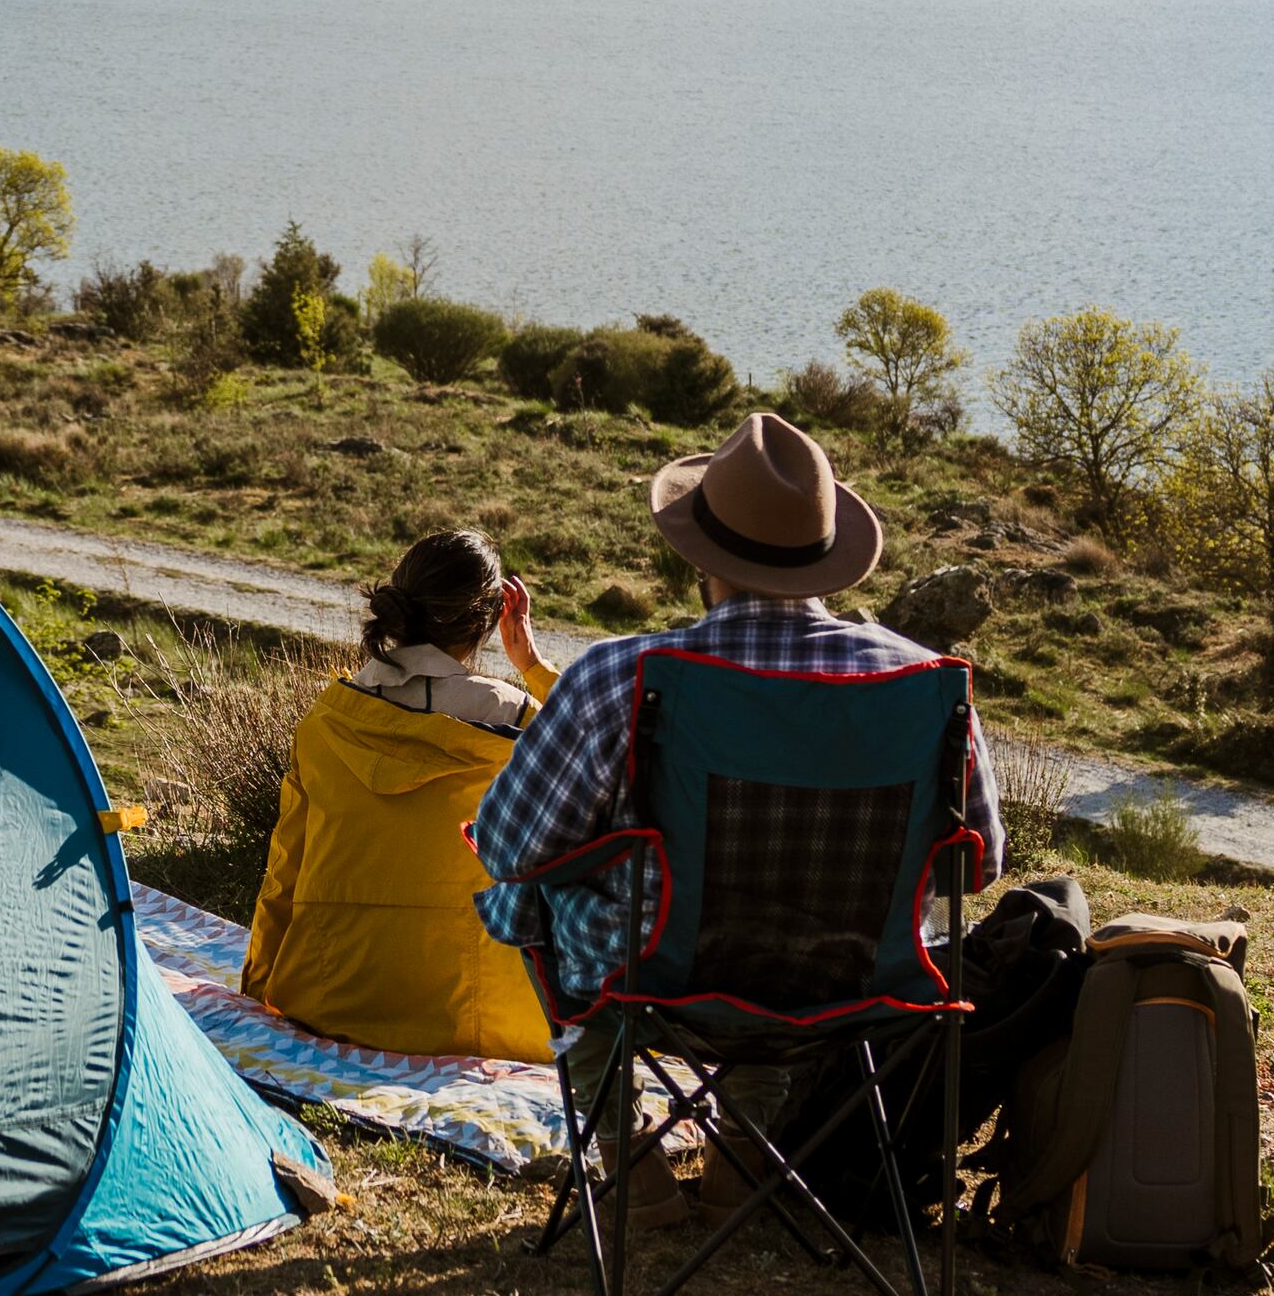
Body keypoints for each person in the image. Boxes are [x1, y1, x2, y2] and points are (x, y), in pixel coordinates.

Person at [474, 407, 1000, 1037]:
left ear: (702, 558)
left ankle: (611, 1119)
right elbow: (979, 866)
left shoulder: (619, 677)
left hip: (657, 982)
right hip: (864, 985)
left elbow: (507, 847)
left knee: (525, 895)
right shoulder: (928, 687)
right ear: (825, 557)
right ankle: (767, 1119)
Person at [239, 529, 565, 1062]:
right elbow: (612, 745)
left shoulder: (325, 720)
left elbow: (286, 868)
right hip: (484, 1025)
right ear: (488, 620)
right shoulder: (519, 720)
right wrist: (531, 664)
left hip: (326, 1003)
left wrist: (258, 985)